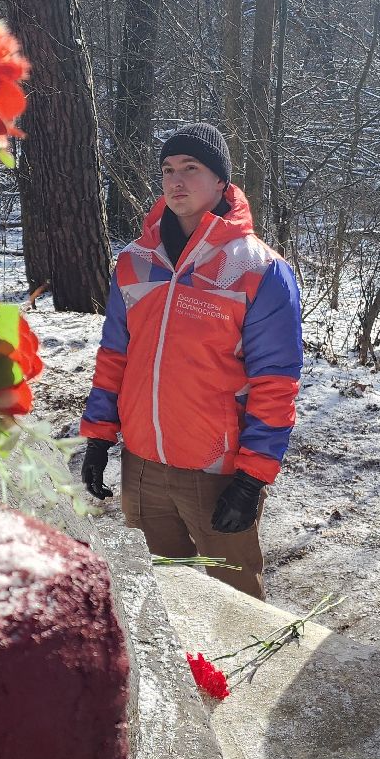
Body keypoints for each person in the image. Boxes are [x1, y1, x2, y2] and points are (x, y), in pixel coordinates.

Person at [80, 123, 302, 599]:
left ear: (221, 182)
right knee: (160, 600)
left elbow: (275, 381)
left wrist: (252, 478)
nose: (175, 181)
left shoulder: (258, 268)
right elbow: (115, 355)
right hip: (141, 467)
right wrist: (99, 436)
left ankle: (242, 678)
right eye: (167, 169)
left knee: (237, 606)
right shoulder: (135, 262)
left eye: (191, 169)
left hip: (215, 472)